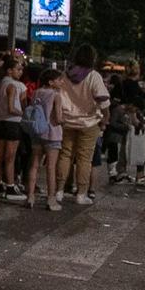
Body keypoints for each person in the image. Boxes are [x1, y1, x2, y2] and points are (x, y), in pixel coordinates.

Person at [54, 44, 111, 204]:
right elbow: (103, 100)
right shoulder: (93, 76)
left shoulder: (65, 75)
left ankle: (59, 190)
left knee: (65, 155)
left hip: (67, 121)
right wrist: (105, 118)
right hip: (89, 122)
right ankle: (81, 193)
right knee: (84, 159)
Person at [24, 67, 64, 210]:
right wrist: (65, 121)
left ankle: (30, 196)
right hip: (52, 134)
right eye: (59, 80)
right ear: (51, 81)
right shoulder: (56, 95)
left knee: (34, 165)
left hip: (37, 132)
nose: (61, 82)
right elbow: (58, 118)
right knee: (51, 168)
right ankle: (51, 200)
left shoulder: (35, 93)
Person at [0, 59, 27, 199]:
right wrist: (22, 113)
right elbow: (12, 108)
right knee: (10, 156)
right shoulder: (13, 85)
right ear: (9, 70)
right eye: (18, 69)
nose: (20, 72)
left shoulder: (0, 84)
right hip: (12, 123)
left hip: (0, 121)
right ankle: (10, 186)